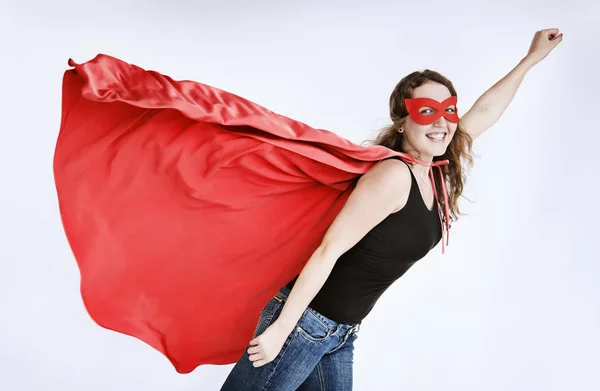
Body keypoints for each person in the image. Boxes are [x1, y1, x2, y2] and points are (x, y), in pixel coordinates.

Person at [219, 28, 563, 390]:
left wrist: (531, 59)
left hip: (338, 334)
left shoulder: (433, 172)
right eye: (427, 111)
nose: (441, 122)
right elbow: (327, 251)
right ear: (403, 120)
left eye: (449, 111)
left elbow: (486, 110)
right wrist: (282, 331)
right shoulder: (393, 176)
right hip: (303, 324)